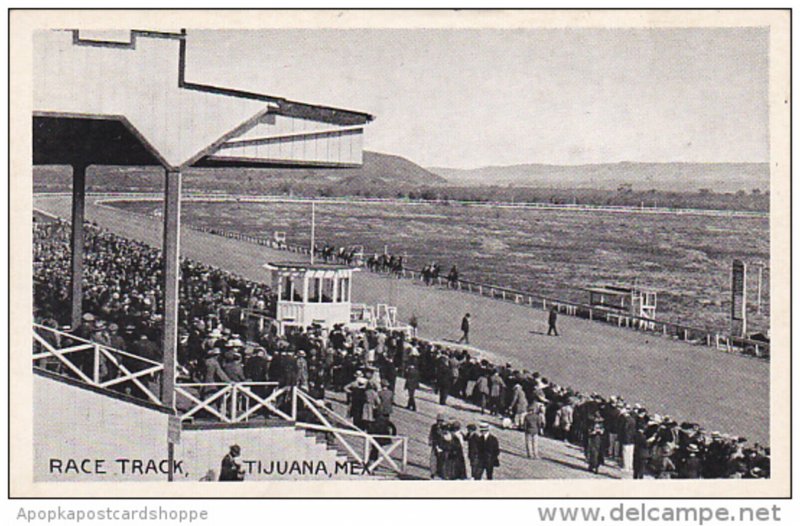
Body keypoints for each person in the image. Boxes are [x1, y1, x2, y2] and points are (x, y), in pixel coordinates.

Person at [429, 413, 446, 478]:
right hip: (435, 444)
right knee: (433, 458)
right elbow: (431, 434)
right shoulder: (434, 426)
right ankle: (433, 472)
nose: (439, 422)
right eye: (438, 420)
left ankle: (440, 472)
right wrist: (430, 440)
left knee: (440, 459)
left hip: (442, 445)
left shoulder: (444, 427)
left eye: (441, 421)